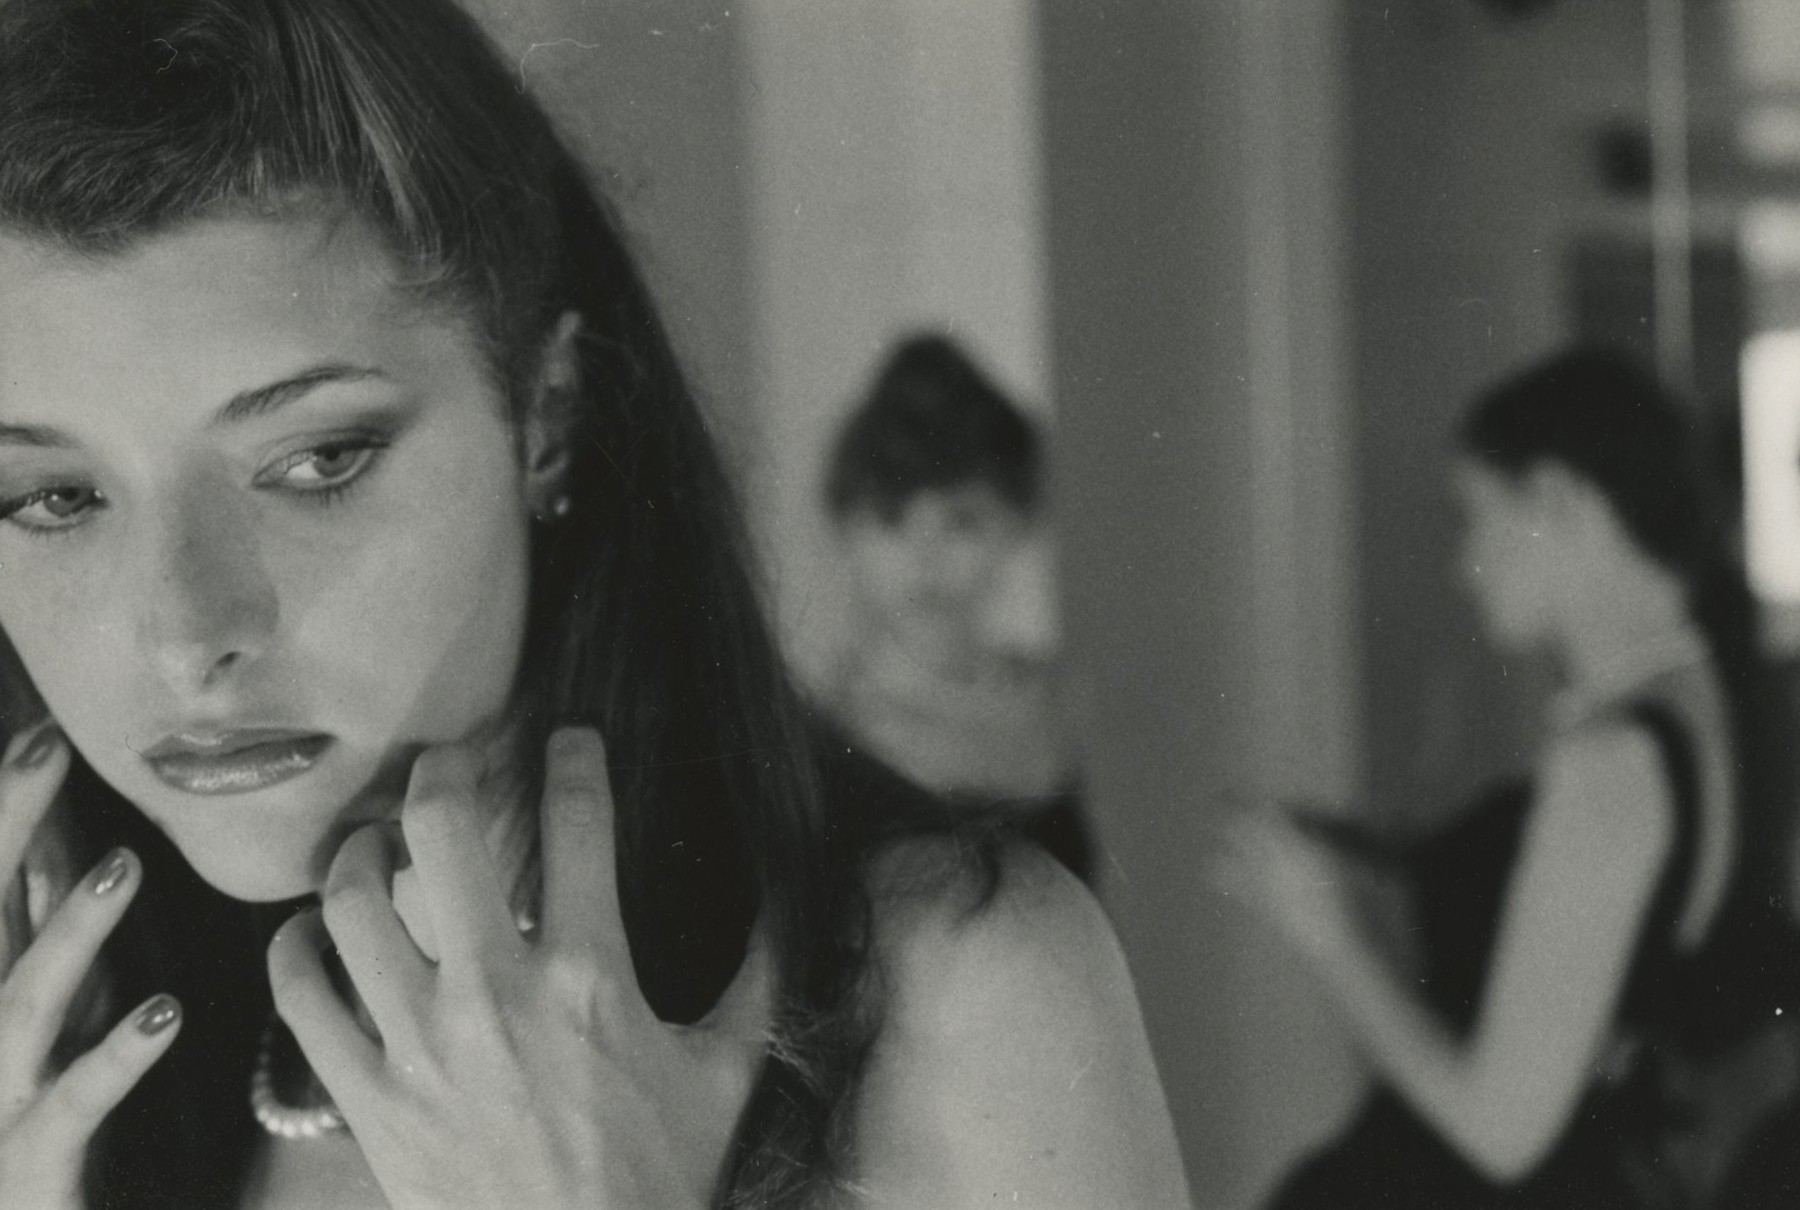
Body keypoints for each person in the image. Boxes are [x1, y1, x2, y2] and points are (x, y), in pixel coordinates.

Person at [0, 2, 1192, 1207]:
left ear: (549, 414)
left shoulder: (956, 991)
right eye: (53, 495)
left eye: (316, 462)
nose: (188, 635)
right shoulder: (82, 1058)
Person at [1239, 348, 1787, 1208]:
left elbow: (1500, 1130)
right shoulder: (1700, 697)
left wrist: (1328, 931)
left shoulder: (1613, 760)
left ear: (1561, 499)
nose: (1468, 564)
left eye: (1477, 516)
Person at [820, 335, 1093, 882]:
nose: (926, 559)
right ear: (846, 530)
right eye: (891, 521)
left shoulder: (1057, 703)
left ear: (1019, 524)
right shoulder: (823, 728)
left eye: (962, 522)